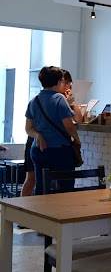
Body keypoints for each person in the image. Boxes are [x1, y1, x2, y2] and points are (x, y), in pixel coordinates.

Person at [25, 66, 80, 195]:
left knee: (41, 187)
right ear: (59, 81)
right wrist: (77, 140)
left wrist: (38, 135)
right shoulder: (59, 99)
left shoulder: (34, 101)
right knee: (66, 188)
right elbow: (69, 126)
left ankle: (40, 208)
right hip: (59, 150)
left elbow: (28, 129)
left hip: (38, 150)